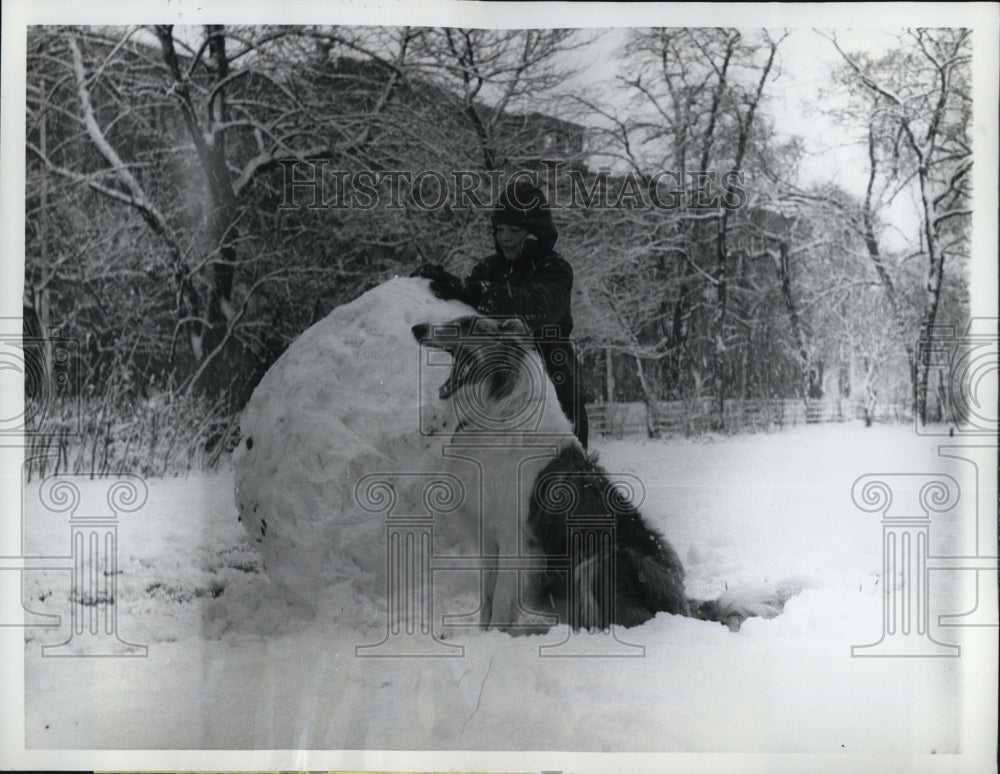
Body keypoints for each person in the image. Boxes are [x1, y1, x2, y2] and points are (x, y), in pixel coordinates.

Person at [414, 180, 590, 448]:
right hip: (497, 396)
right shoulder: (489, 269)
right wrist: (434, 288)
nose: (504, 237)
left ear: (535, 232)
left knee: (558, 485)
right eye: (499, 229)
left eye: (514, 229)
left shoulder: (555, 269)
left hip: (555, 394)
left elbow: (535, 307)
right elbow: (466, 313)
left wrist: (473, 291)